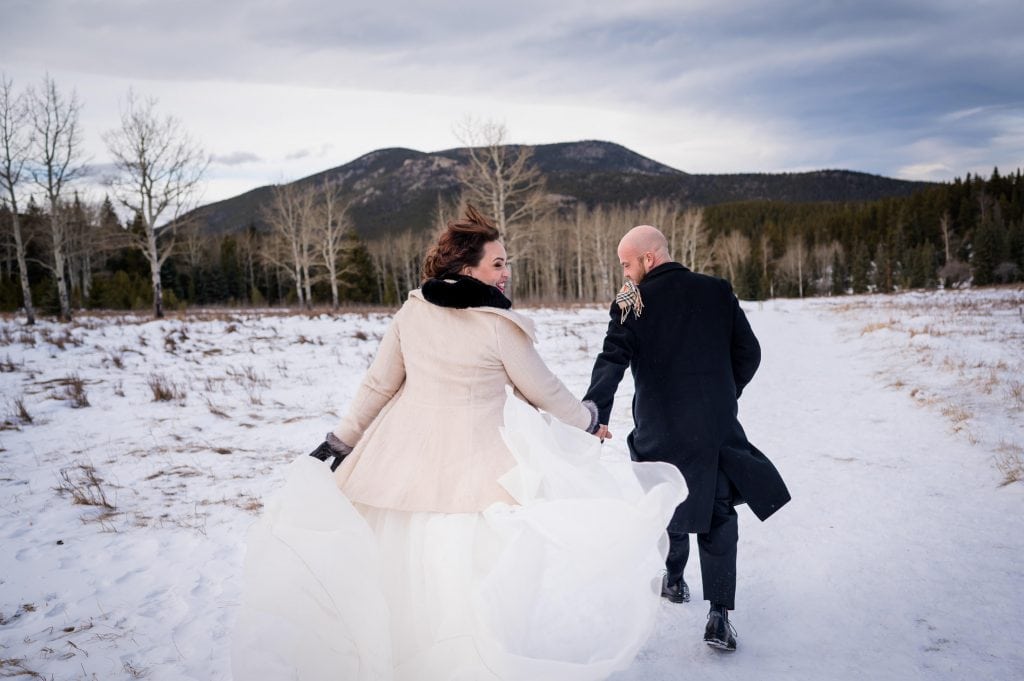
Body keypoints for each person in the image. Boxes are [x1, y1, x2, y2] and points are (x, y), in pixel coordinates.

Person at [232, 207, 687, 681]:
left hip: (399, 473)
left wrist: (342, 441)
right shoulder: (496, 325)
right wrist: (588, 420)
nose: (507, 272)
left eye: (506, 262)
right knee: (461, 588)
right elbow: (544, 391)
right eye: (497, 264)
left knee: (402, 581)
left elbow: (377, 386)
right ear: (467, 270)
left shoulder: (413, 311)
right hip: (474, 479)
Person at [583, 225, 790, 652]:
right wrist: (724, 393)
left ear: (648, 259)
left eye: (626, 264)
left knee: (669, 500)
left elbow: (612, 358)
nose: (624, 274)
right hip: (713, 425)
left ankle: (674, 581)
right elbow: (749, 353)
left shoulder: (631, 302)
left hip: (659, 427)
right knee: (715, 513)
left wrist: (596, 412)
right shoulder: (717, 290)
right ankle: (718, 616)